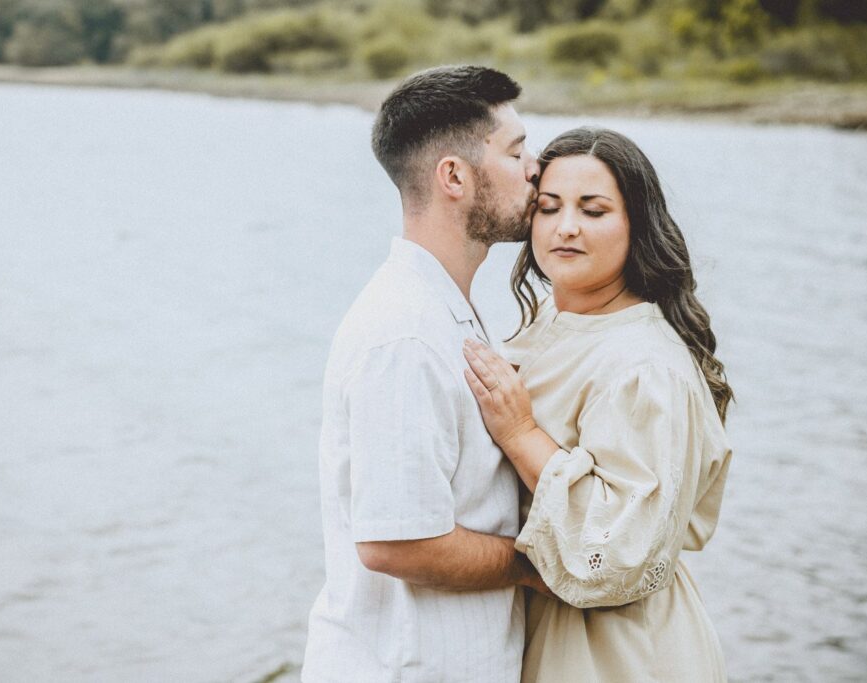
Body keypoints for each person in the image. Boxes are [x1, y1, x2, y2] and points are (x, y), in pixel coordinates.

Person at [302, 65, 547, 683]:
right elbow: (395, 541)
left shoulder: (442, 309)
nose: (534, 169)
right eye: (516, 151)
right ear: (455, 177)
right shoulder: (406, 334)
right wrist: (538, 564)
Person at [462, 126, 734, 682]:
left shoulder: (644, 367)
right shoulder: (553, 324)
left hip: (614, 651)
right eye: (548, 207)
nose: (565, 228)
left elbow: (618, 552)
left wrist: (520, 434)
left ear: (637, 225)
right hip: (537, 630)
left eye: (593, 211)